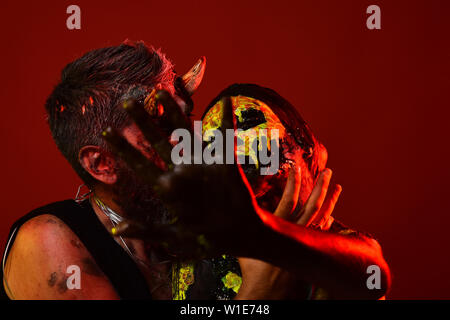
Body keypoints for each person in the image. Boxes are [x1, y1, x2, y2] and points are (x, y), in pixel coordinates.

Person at [1, 41, 390, 300]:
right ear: (102, 164)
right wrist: (255, 297)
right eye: (161, 125)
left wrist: (271, 237)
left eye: (185, 116)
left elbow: (374, 275)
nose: (190, 138)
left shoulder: (202, 202)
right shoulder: (50, 243)